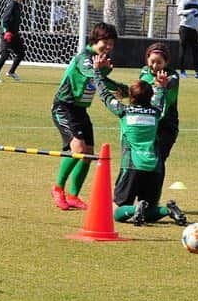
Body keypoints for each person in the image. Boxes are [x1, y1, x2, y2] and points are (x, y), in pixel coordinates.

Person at [93, 54, 187, 227]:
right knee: (151, 211)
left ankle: (135, 209)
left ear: (131, 97)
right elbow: (160, 95)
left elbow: (105, 95)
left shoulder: (124, 111)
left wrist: (97, 72)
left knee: (116, 211)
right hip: (155, 167)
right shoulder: (156, 112)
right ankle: (168, 210)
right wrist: (161, 85)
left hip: (132, 166)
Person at [50, 22, 126, 211]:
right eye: (105, 42)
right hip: (64, 107)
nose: (108, 47)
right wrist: (101, 70)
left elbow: (100, 80)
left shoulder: (100, 59)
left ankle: (73, 195)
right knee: (78, 146)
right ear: (95, 40)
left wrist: (123, 90)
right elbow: (89, 73)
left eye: (111, 44)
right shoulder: (85, 57)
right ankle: (58, 188)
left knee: (88, 153)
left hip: (80, 110)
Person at [139, 42, 180, 181]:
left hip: (167, 125)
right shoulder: (144, 71)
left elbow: (171, 83)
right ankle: (143, 196)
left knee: (159, 159)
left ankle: (152, 196)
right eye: (152, 61)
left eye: (159, 63)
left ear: (166, 62)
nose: (155, 66)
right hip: (148, 123)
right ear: (147, 58)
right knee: (145, 159)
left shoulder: (173, 75)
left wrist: (163, 83)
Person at [0, 0, 26, 83]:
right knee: (5, 55)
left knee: (21, 53)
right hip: (7, 34)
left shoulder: (17, 5)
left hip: (14, 34)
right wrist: (6, 32)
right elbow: (3, 20)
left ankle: (11, 72)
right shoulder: (11, 5)